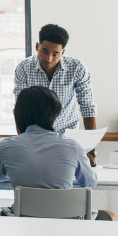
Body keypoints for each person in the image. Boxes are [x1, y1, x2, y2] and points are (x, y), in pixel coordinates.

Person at [0, 86, 102, 236]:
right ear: (54, 114)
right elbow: (89, 183)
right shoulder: (73, 146)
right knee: (111, 218)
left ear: (19, 114)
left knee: (3, 220)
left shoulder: (6, 146)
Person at [13, 23, 98, 165]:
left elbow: (88, 108)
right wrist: (23, 143)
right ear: (36, 47)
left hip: (68, 139)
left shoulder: (77, 68)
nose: (49, 58)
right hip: (35, 140)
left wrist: (90, 151)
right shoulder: (24, 68)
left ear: (63, 52)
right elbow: (20, 109)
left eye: (55, 54)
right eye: (44, 51)